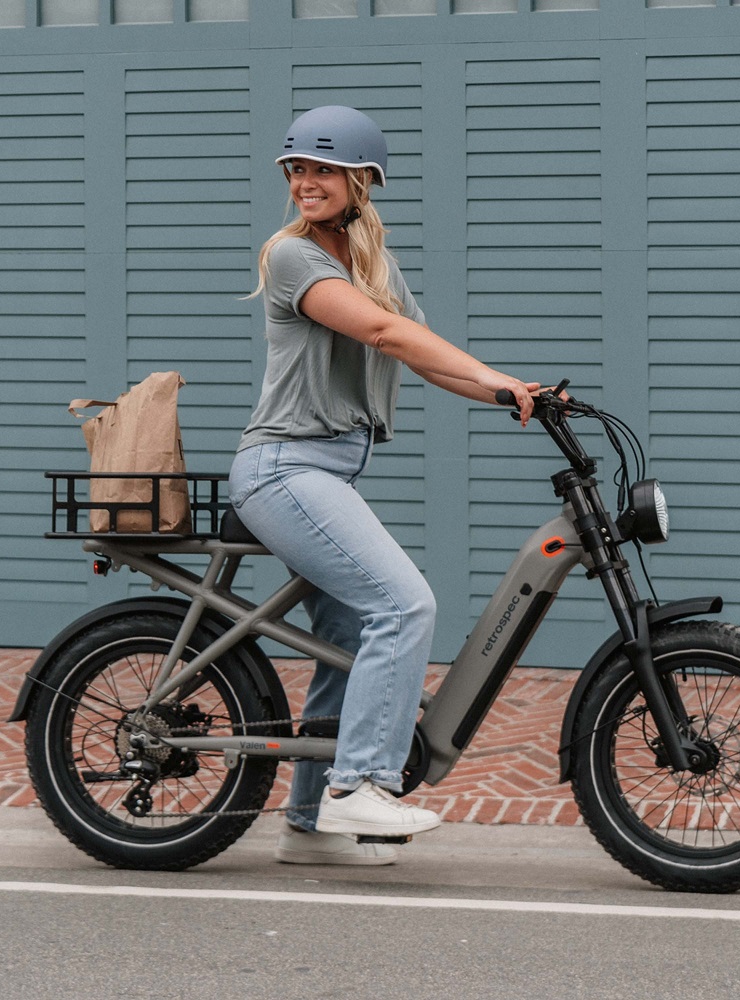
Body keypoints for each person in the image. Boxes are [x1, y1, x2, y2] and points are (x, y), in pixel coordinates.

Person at [229, 106, 537, 866]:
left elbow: (423, 356)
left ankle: (308, 823)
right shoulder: (294, 257)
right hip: (286, 467)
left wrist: (507, 392)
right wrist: (492, 376)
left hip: (326, 469)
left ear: (361, 181)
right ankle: (356, 785)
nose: (305, 182)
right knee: (403, 605)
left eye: (321, 170)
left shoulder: (371, 265)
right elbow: (383, 334)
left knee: (347, 637)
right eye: (296, 169)